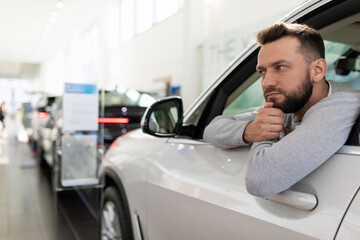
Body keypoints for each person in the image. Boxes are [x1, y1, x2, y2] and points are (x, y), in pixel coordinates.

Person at [203, 22, 360, 198]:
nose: (267, 82)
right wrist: (250, 130)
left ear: (317, 70)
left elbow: (260, 181)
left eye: (281, 67)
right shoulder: (288, 108)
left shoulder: (342, 105)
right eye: (262, 71)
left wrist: (268, 133)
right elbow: (212, 129)